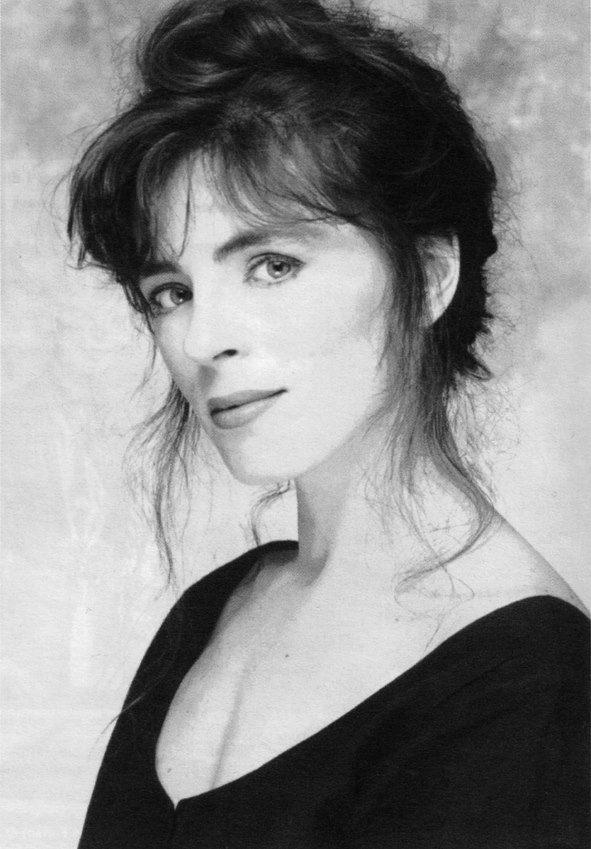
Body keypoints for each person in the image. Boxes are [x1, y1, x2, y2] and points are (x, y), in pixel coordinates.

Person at [68, 0, 589, 846]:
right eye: (172, 291)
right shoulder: (212, 609)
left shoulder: (529, 680)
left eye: (272, 265)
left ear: (428, 276)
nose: (200, 338)